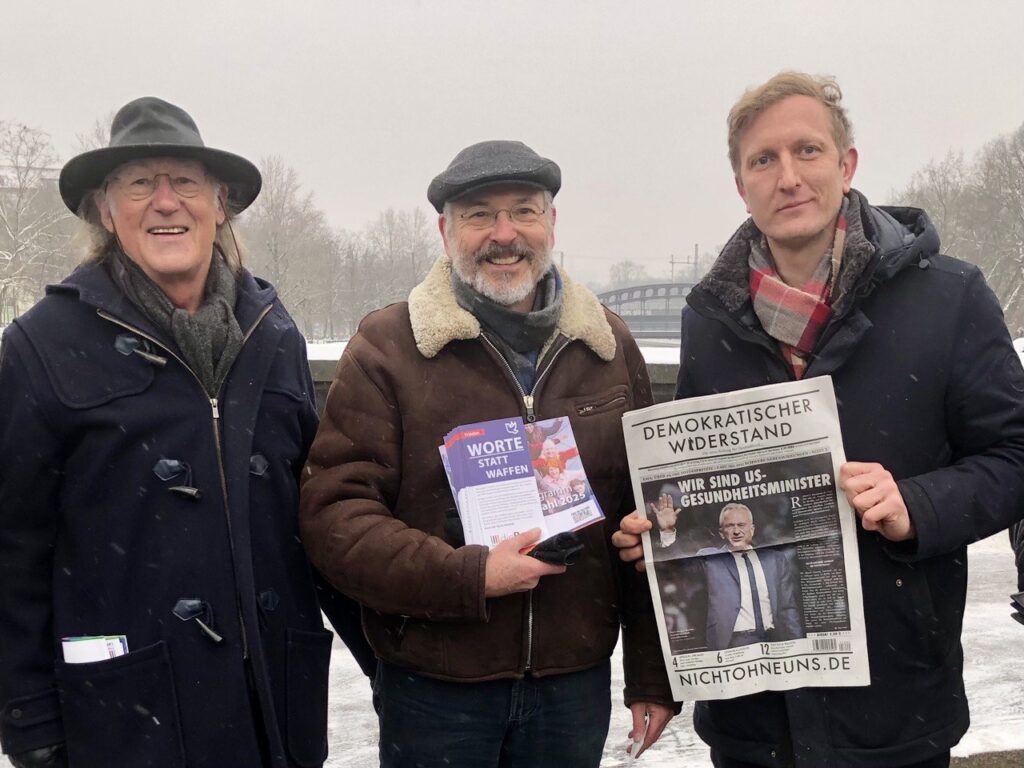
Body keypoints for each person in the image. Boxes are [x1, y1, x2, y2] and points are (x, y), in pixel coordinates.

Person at [613, 72, 1024, 767]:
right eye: (763, 160)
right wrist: (661, 528)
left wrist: (917, 504)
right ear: (741, 184)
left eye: (807, 151)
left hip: (894, 705)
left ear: (847, 163)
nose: (789, 176)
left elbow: (1015, 457)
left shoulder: (949, 298)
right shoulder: (708, 319)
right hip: (750, 718)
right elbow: (694, 477)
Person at [0, 97, 371, 768]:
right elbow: (12, 550)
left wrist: (390, 653)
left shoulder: (273, 333)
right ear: (105, 211)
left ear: (220, 204)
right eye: (140, 182)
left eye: (186, 182)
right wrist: (26, 718)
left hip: (274, 712)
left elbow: (318, 514)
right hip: (129, 722)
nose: (165, 201)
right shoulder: (39, 347)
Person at [299, 140, 674, 767]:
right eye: (479, 215)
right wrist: (469, 576)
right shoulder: (387, 349)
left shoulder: (608, 346)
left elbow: (646, 518)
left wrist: (652, 674)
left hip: (573, 683)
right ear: (446, 232)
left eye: (524, 211)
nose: (504, 234)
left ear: (552, 223)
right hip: (436, 685)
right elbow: (334, 519)